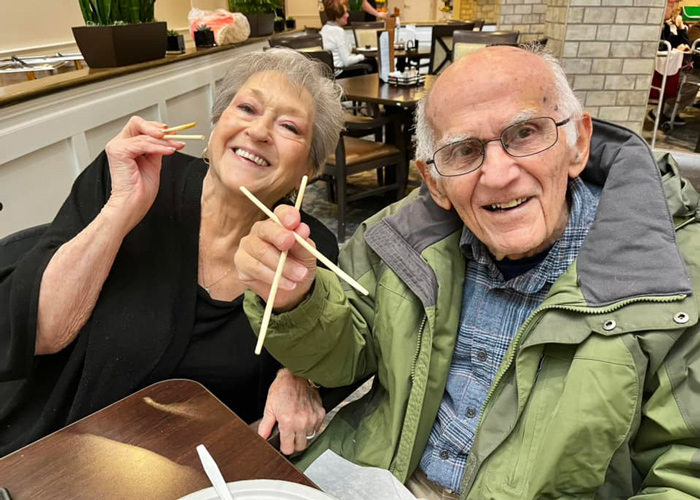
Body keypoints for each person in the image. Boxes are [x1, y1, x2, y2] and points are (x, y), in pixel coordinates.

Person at [237, 45, 700, 498]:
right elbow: (346, 357)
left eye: (525, 134)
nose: (498, 175)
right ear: (435, 181)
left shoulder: (670, 280)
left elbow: (685, 472)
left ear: (576, 144)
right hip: (379, 475)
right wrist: (296, 299)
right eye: (464, 150)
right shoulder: (401, 238)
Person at [0, 49, 345, 458]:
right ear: (218, 122)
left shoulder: (308, 245)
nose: (259, 131)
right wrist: (120, 209)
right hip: (54, 454)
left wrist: (297, 375)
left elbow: (323, 348)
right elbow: (44, 333)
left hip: (194, 473)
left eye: (289, 126)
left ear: (310, 167)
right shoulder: (132, 175)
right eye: (247, 108)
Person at [651, 0, 700, 125]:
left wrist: (681, 28)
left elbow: (686, 46)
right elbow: (659, 50)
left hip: (669, 68)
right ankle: (664, 112)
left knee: (693, 80)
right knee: (692, 82)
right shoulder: (653, 28)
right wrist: (676, 50)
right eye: (671, 6)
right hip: (658, 71)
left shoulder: (667, 27)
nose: (674, 10)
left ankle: (665, 111)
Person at [321, 0, 376, 78]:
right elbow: (347, 61)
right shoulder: (338, 31)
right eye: (345, 13)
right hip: (341, 72)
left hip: (332, 72)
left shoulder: (325, 29)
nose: (348, 15)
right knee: (372, 62)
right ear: (337, 17)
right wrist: (363, 56)